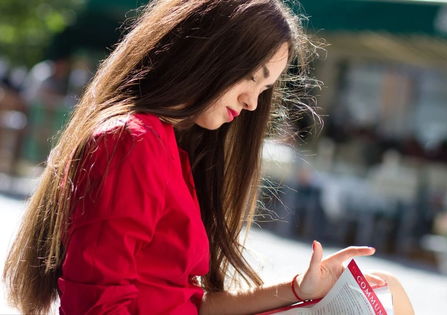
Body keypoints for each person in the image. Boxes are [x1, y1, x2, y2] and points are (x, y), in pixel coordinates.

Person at [3, 1, 414, 314]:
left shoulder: (169, 148)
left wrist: (298, 290)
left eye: (265, 88)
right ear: (207, 55)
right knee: (388, 295)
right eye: (252, 78)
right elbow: (95, 303)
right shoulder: (133, 140)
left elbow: (190, 303)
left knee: (384, 290)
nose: (253, 102)